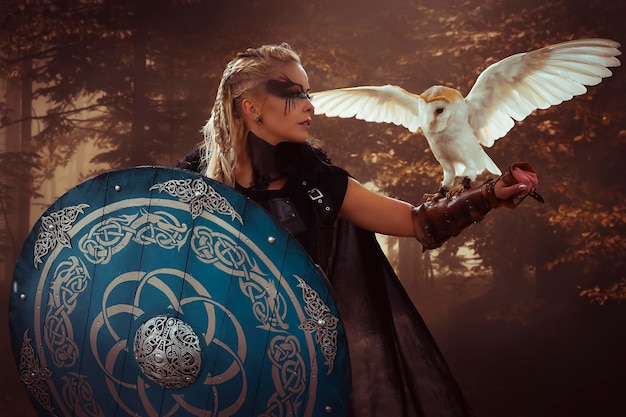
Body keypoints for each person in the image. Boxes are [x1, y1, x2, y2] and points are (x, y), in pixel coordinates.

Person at [177, 43, 539, 417]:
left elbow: (417, 222)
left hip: (300, 381)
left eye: (307, 92)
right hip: (210, 380)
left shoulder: (316, 184)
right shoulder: (187, 186)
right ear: (251, 108)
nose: (309, 104)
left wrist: (490, 193)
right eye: (293, 94)